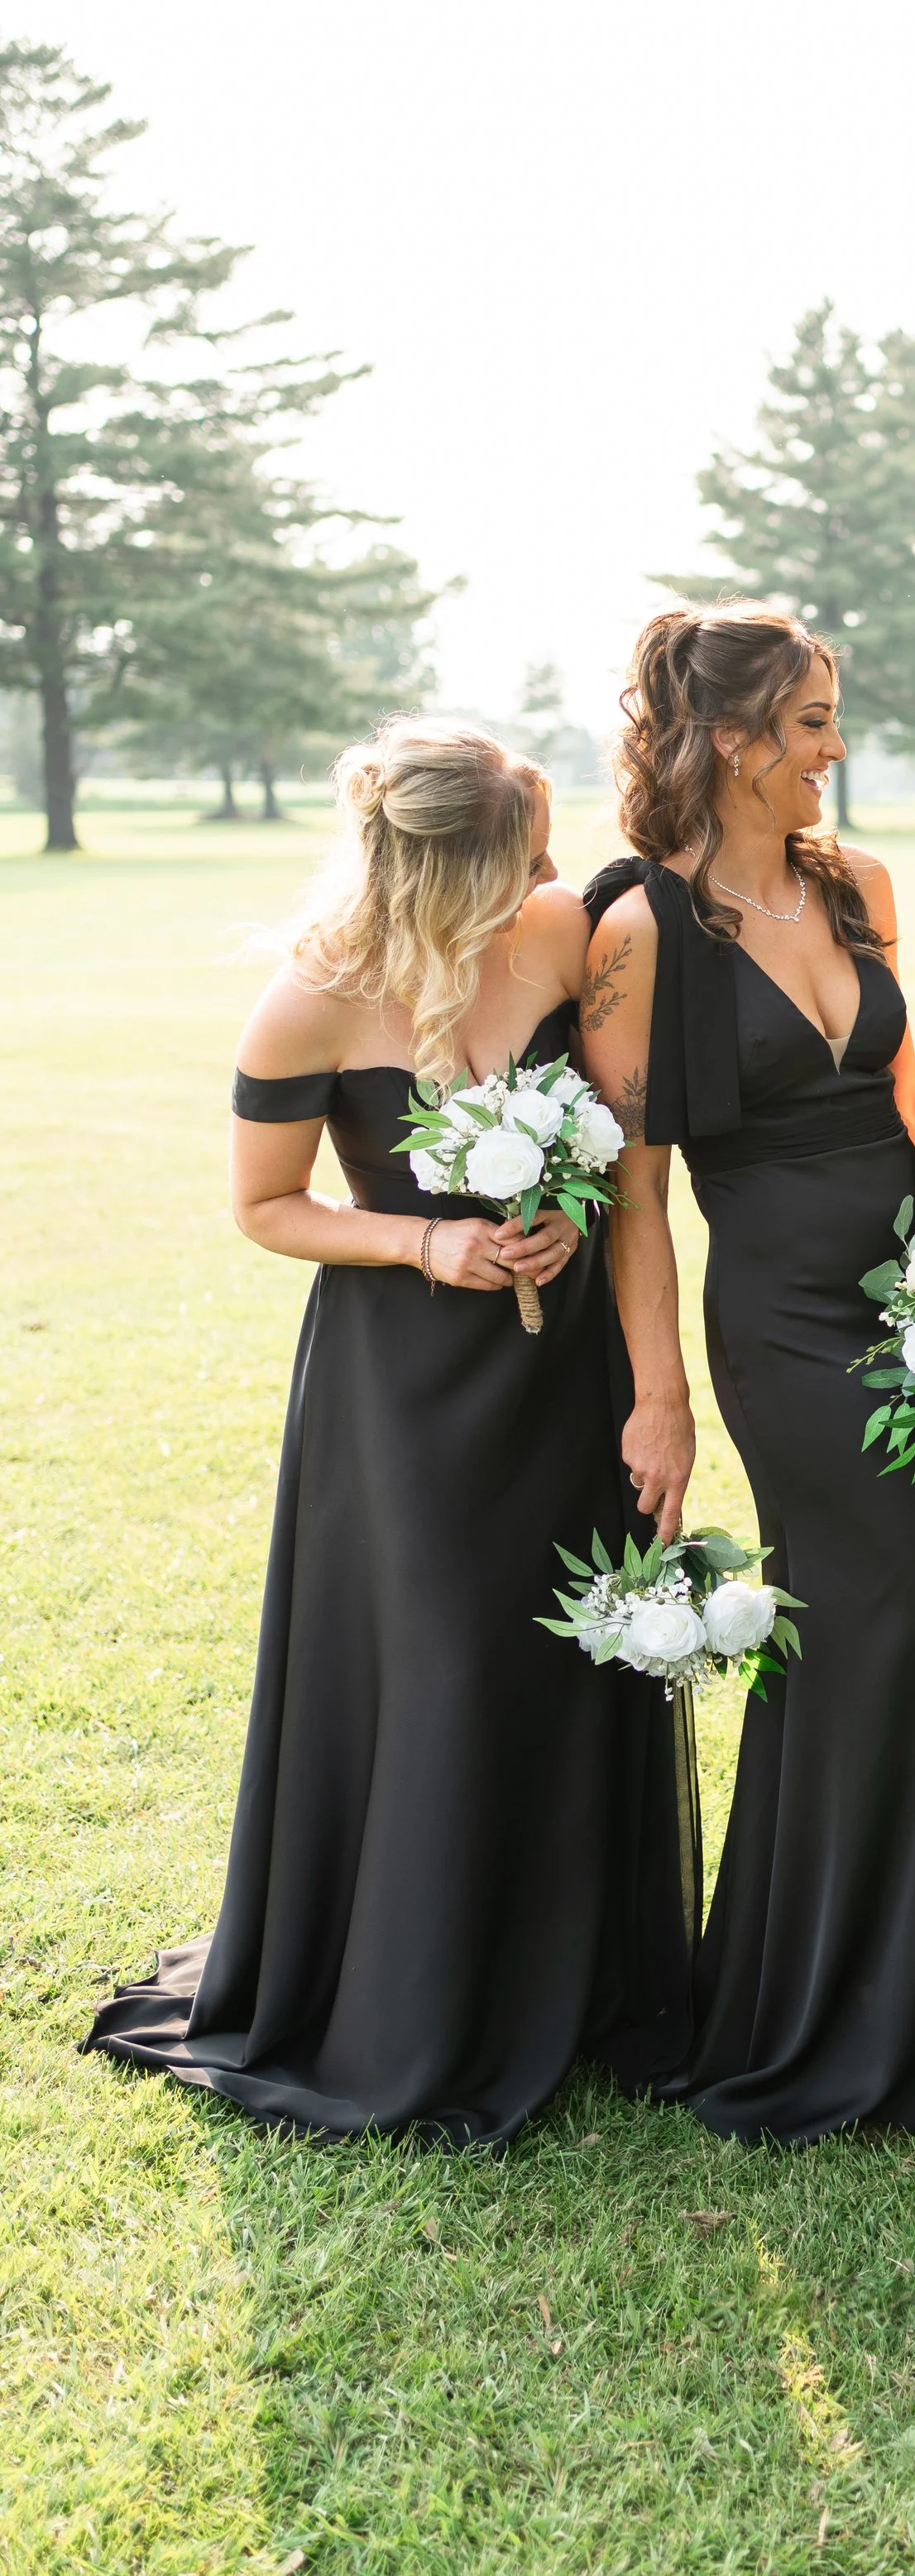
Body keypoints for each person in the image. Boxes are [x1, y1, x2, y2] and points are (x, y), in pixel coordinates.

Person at [85, 724, 692, 2145]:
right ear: (419, 860)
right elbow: (263, 1206)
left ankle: (580, 1982)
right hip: (404, 1396)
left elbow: (624, 1153)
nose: (532, 881)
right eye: (497, 864)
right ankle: (426, 2000)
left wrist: (576, 1236)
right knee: (443, 1661)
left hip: (564, 1373)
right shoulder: (309, 998)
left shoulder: (553, 934)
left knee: (564, 1647)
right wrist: (426, 1245)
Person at [580, 605, 915, 2144]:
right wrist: (661, 1390)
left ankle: (848, 1982)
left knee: (896, 1625)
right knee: (904, 1601)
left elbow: (912, 1110)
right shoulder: (640, 932)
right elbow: (634, 1191)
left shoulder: (859, 883)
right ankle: (813, 2008)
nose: (834, 748)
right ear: (733, 741)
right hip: (786, 1323)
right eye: (812, 721)